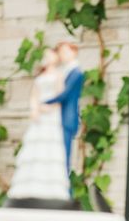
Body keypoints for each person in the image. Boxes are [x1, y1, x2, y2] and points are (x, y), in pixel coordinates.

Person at [7, 48, 70, 201]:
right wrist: (35, 108)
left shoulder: (59, 75)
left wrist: (48, 107)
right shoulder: (41, 76)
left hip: (51, 114)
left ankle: (50, 188)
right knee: (35, 148)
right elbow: (34, 95)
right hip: (39, 116)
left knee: (49, 149)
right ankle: (30, 186)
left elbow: (60, 96)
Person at [44, 41, 84, 175]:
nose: (63, 56)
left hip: (68, 118)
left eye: (65, 52)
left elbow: (65, 94)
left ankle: (66, 191)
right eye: (61, 53)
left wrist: (45, 102)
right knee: (58, 157)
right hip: (59, 119)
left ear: (74, 52)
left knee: (64, 156)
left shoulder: (76, 72)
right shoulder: (65, 71)